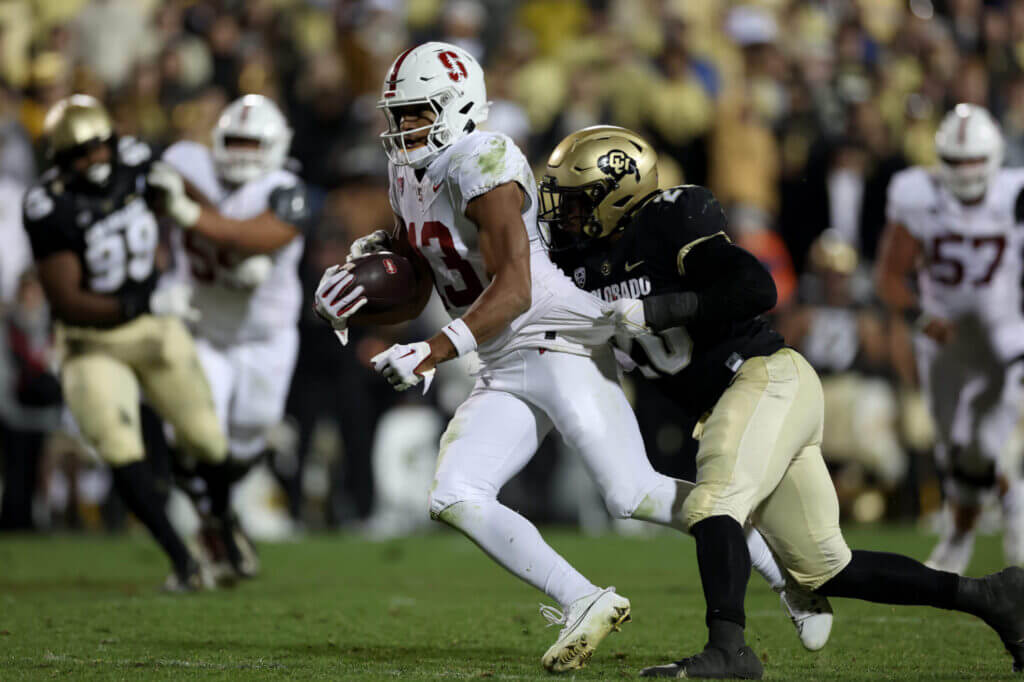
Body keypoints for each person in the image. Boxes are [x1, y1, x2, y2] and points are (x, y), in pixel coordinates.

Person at [312, 43, 827, 672]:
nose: (403, 129)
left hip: (553, 337)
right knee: (454, 493)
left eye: (417, 113)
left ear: (458, 106)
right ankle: (583, 599)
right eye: (398, 115)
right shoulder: (406, 171)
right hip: (500, 353)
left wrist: (432, 349)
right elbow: (427, 274)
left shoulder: (486, 157)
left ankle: (786, 574)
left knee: (631, 492)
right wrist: (366, 291)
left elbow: (516, 287)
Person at [539, 125, 1024, 678]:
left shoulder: (668, 219)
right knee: (826, 569)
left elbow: (757, 288)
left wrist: (659, 310)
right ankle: (991, 596)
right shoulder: (572, 260)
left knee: (712, 502)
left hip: (763, 377)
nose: (566, 214)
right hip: (749, 399)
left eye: (578, 201)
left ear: (618, 192)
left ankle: (729, 650)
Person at [21, 94, 227, 590]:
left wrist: (178, 204)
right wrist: (144, 303)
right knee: (118, 446)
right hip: (92, 339)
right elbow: (68, 301)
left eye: (99, 148)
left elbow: (198, 208)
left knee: (208, 441)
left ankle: (221, 526)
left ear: (112, 142)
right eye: (80, 153)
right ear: (60, 159)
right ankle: (183, 561)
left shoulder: (137, 160)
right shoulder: (48, 205)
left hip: (154, 328)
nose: (94, 160)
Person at [148, 94, 308, 581]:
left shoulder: (283, 188)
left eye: (253, 142)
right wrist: (162, 278)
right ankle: (211, 527)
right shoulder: (185, 164)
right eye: (233, 141)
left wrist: (187, 211)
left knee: (249, 433)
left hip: (265, 336)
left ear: (277, 146)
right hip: (204, 329)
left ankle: (222, 515)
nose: (242, 152)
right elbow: (145, 220)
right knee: (197, 433)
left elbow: (256, 237)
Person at [876, 103, 1024, 574]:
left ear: (996, 157)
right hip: (943, 337)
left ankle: (970, 534)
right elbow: (890, 277)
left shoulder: (1015, 194)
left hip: (1002, 333)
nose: (965, 171)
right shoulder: (917, 194)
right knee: (954, 450)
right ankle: (998, 511)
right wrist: (922, 317)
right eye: (955, 160)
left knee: (981, 441)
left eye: (974, 160)